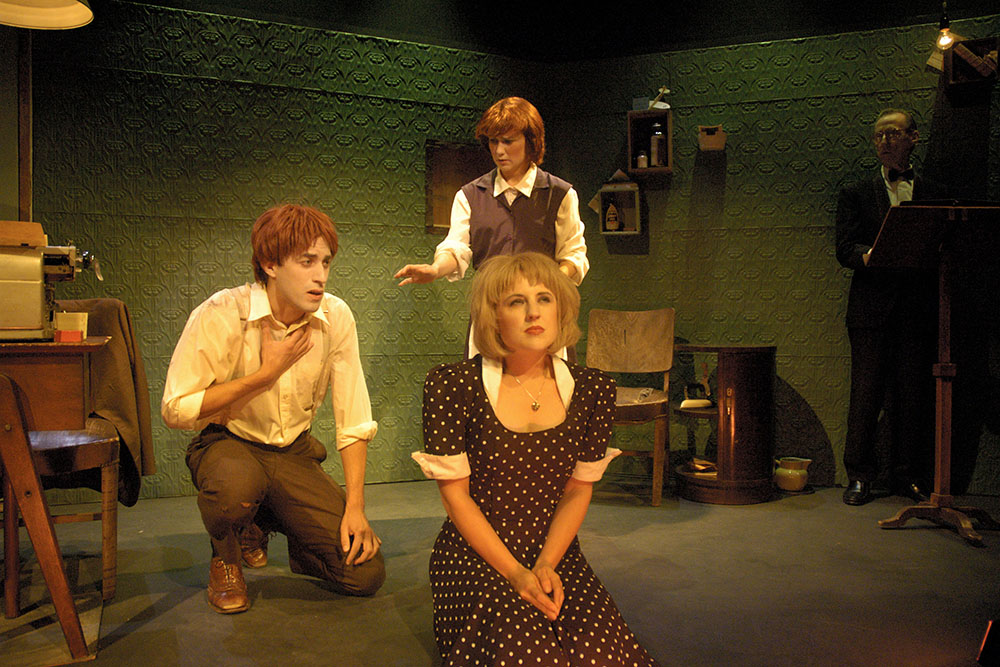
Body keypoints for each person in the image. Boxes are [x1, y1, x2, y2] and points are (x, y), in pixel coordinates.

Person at [411, 252, 657, 666]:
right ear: (493, 316)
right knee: (528, 655)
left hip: (555, 551)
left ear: (561, 310)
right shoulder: (452, 385)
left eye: (544, 298)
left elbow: (578, 491)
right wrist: (515, 573)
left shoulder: (593, 389)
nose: (533, 312)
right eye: (515, 302)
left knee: (601, 654)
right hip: (476, 554)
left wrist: (545, 563)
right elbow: (456, 499)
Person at [161, 204, 385, 613]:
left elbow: (352, 418)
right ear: (269, 264)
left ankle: (264, 520)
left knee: (365, 575)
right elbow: (175, 409)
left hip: (291, 452)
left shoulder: (336, 317)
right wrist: (263, 376)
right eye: (307, 262)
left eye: (325, 262)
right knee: (234, 490)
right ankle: (226, 558)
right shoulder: (222, 314)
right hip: (230, 444)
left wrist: (356, 508)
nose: (321, 275)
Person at [394, 96, 589, 358]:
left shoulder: (559, 194)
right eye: (493, 141)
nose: (499, 150)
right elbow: (456, 247)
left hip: (541, 320)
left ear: (531, 142)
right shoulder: (470, 195)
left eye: (508, 141)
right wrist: (436, 269)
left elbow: (574, 255)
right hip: (491, 319)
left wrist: (547, 287)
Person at [835, 108, 947, 506]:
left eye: (892, 133)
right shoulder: (856, 192)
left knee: (912, 397)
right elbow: (844, 249)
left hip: (916, 310)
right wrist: (874, 254)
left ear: (913, 137)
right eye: (878, 135)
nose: (884, 141)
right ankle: (860, 476)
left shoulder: (932, 191)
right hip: (870, 311)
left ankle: (908, 476)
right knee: (865, 396)